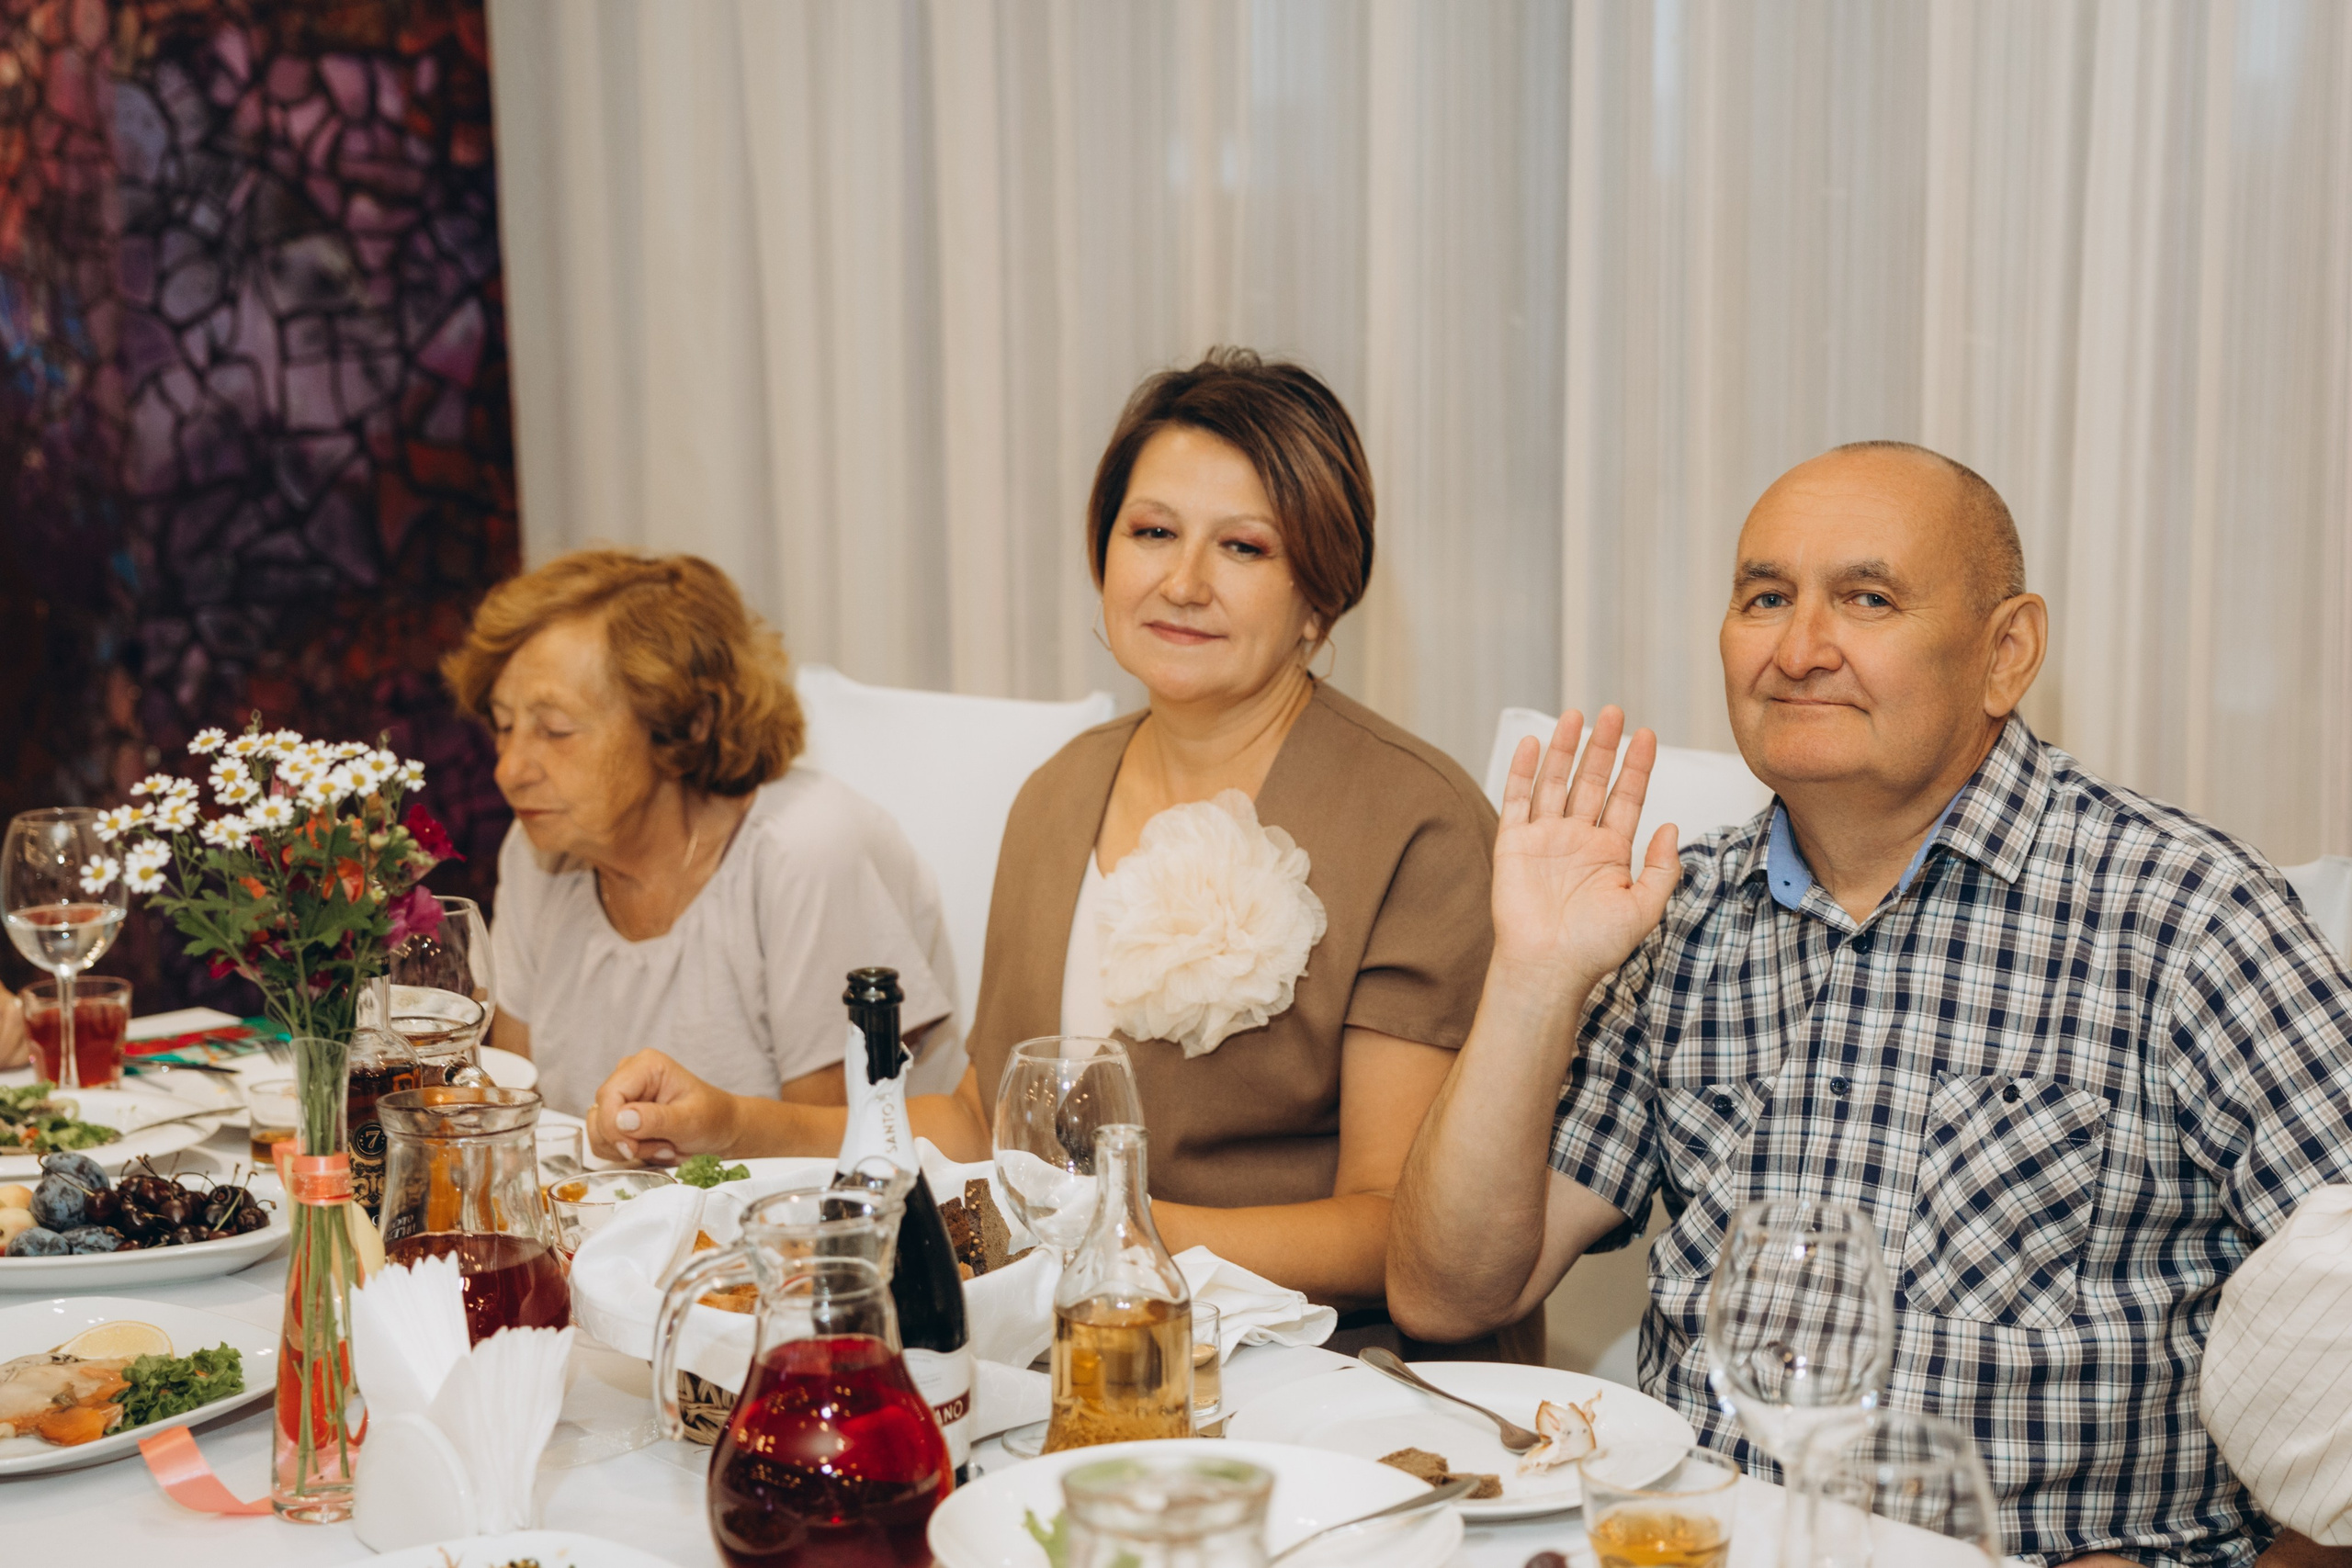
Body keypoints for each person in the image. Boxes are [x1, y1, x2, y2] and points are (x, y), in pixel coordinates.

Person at [1388, 442, 2352, 1565]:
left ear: (2005, 653)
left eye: (1867, 599)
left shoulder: (2185, 915)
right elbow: (1451, 1295)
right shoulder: (1679, 914)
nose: (1798, 650)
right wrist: (1534, 975)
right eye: (1765, 598)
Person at [590, 350, 1531, 1356]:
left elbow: (1397, 1228)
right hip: (1070, 1338)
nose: (1182, 582)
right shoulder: (1059, 794)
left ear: (1320, 596)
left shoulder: (1416, 826)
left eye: (1243, 547)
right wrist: (734, 1125)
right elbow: (981, 1126)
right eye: (1152, 532)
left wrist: (1117, 1227)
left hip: (1317, 1366)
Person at [443, 548, 958, 1119]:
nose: (509, 770)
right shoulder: (540, 850)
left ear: (686, 724)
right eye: (504, 725)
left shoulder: (804, 850)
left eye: (556, 730)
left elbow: (841, 1144)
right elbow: (516, 1113)